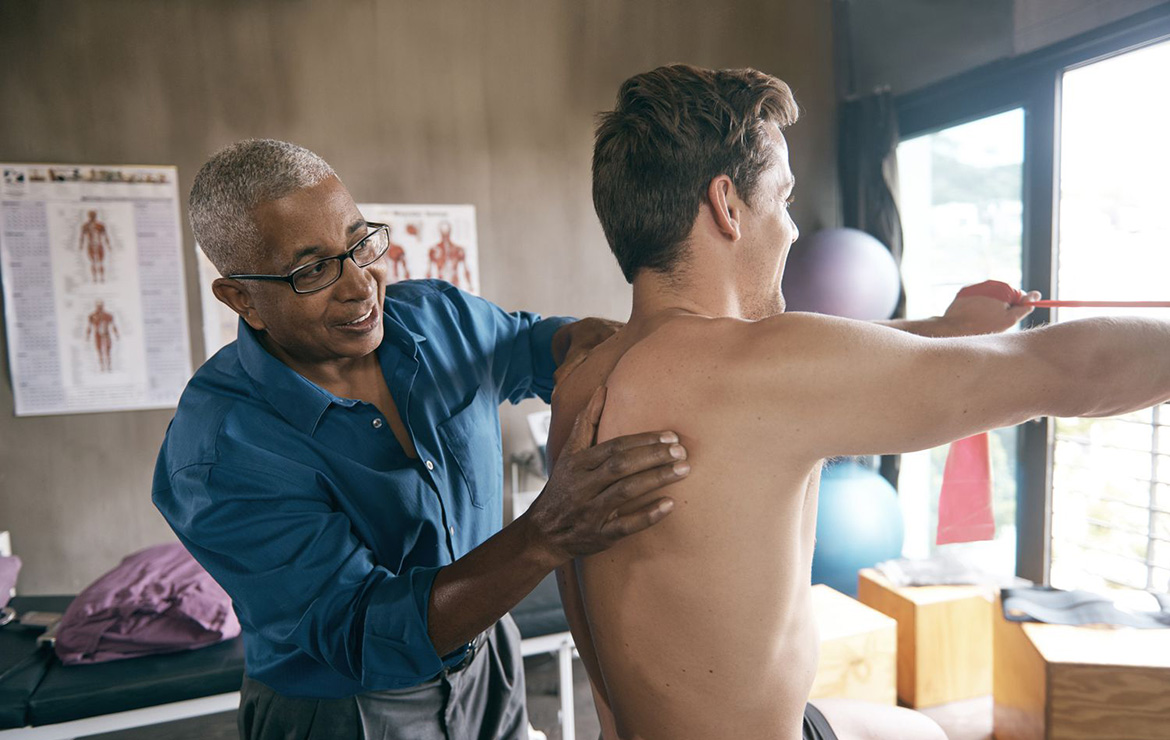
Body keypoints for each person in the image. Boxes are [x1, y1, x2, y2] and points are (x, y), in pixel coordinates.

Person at [548, 64, 1170, 740]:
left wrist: (949, 330)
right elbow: (1072, 371)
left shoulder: (582, 379)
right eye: (781, 200)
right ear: (727, 206)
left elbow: (827, 361)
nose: (788, 228)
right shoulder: (761, 368)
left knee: (917, 731)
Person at [152, 139, 691, 740]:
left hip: (486, 661)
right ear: (241, 297)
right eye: (313, 271)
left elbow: (538, 346)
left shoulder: (437, 318)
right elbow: (363, 629)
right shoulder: (220, 451)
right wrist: (548, 533)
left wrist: (611, 348)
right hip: (347, 708)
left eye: (360, 244)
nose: (361, 287)